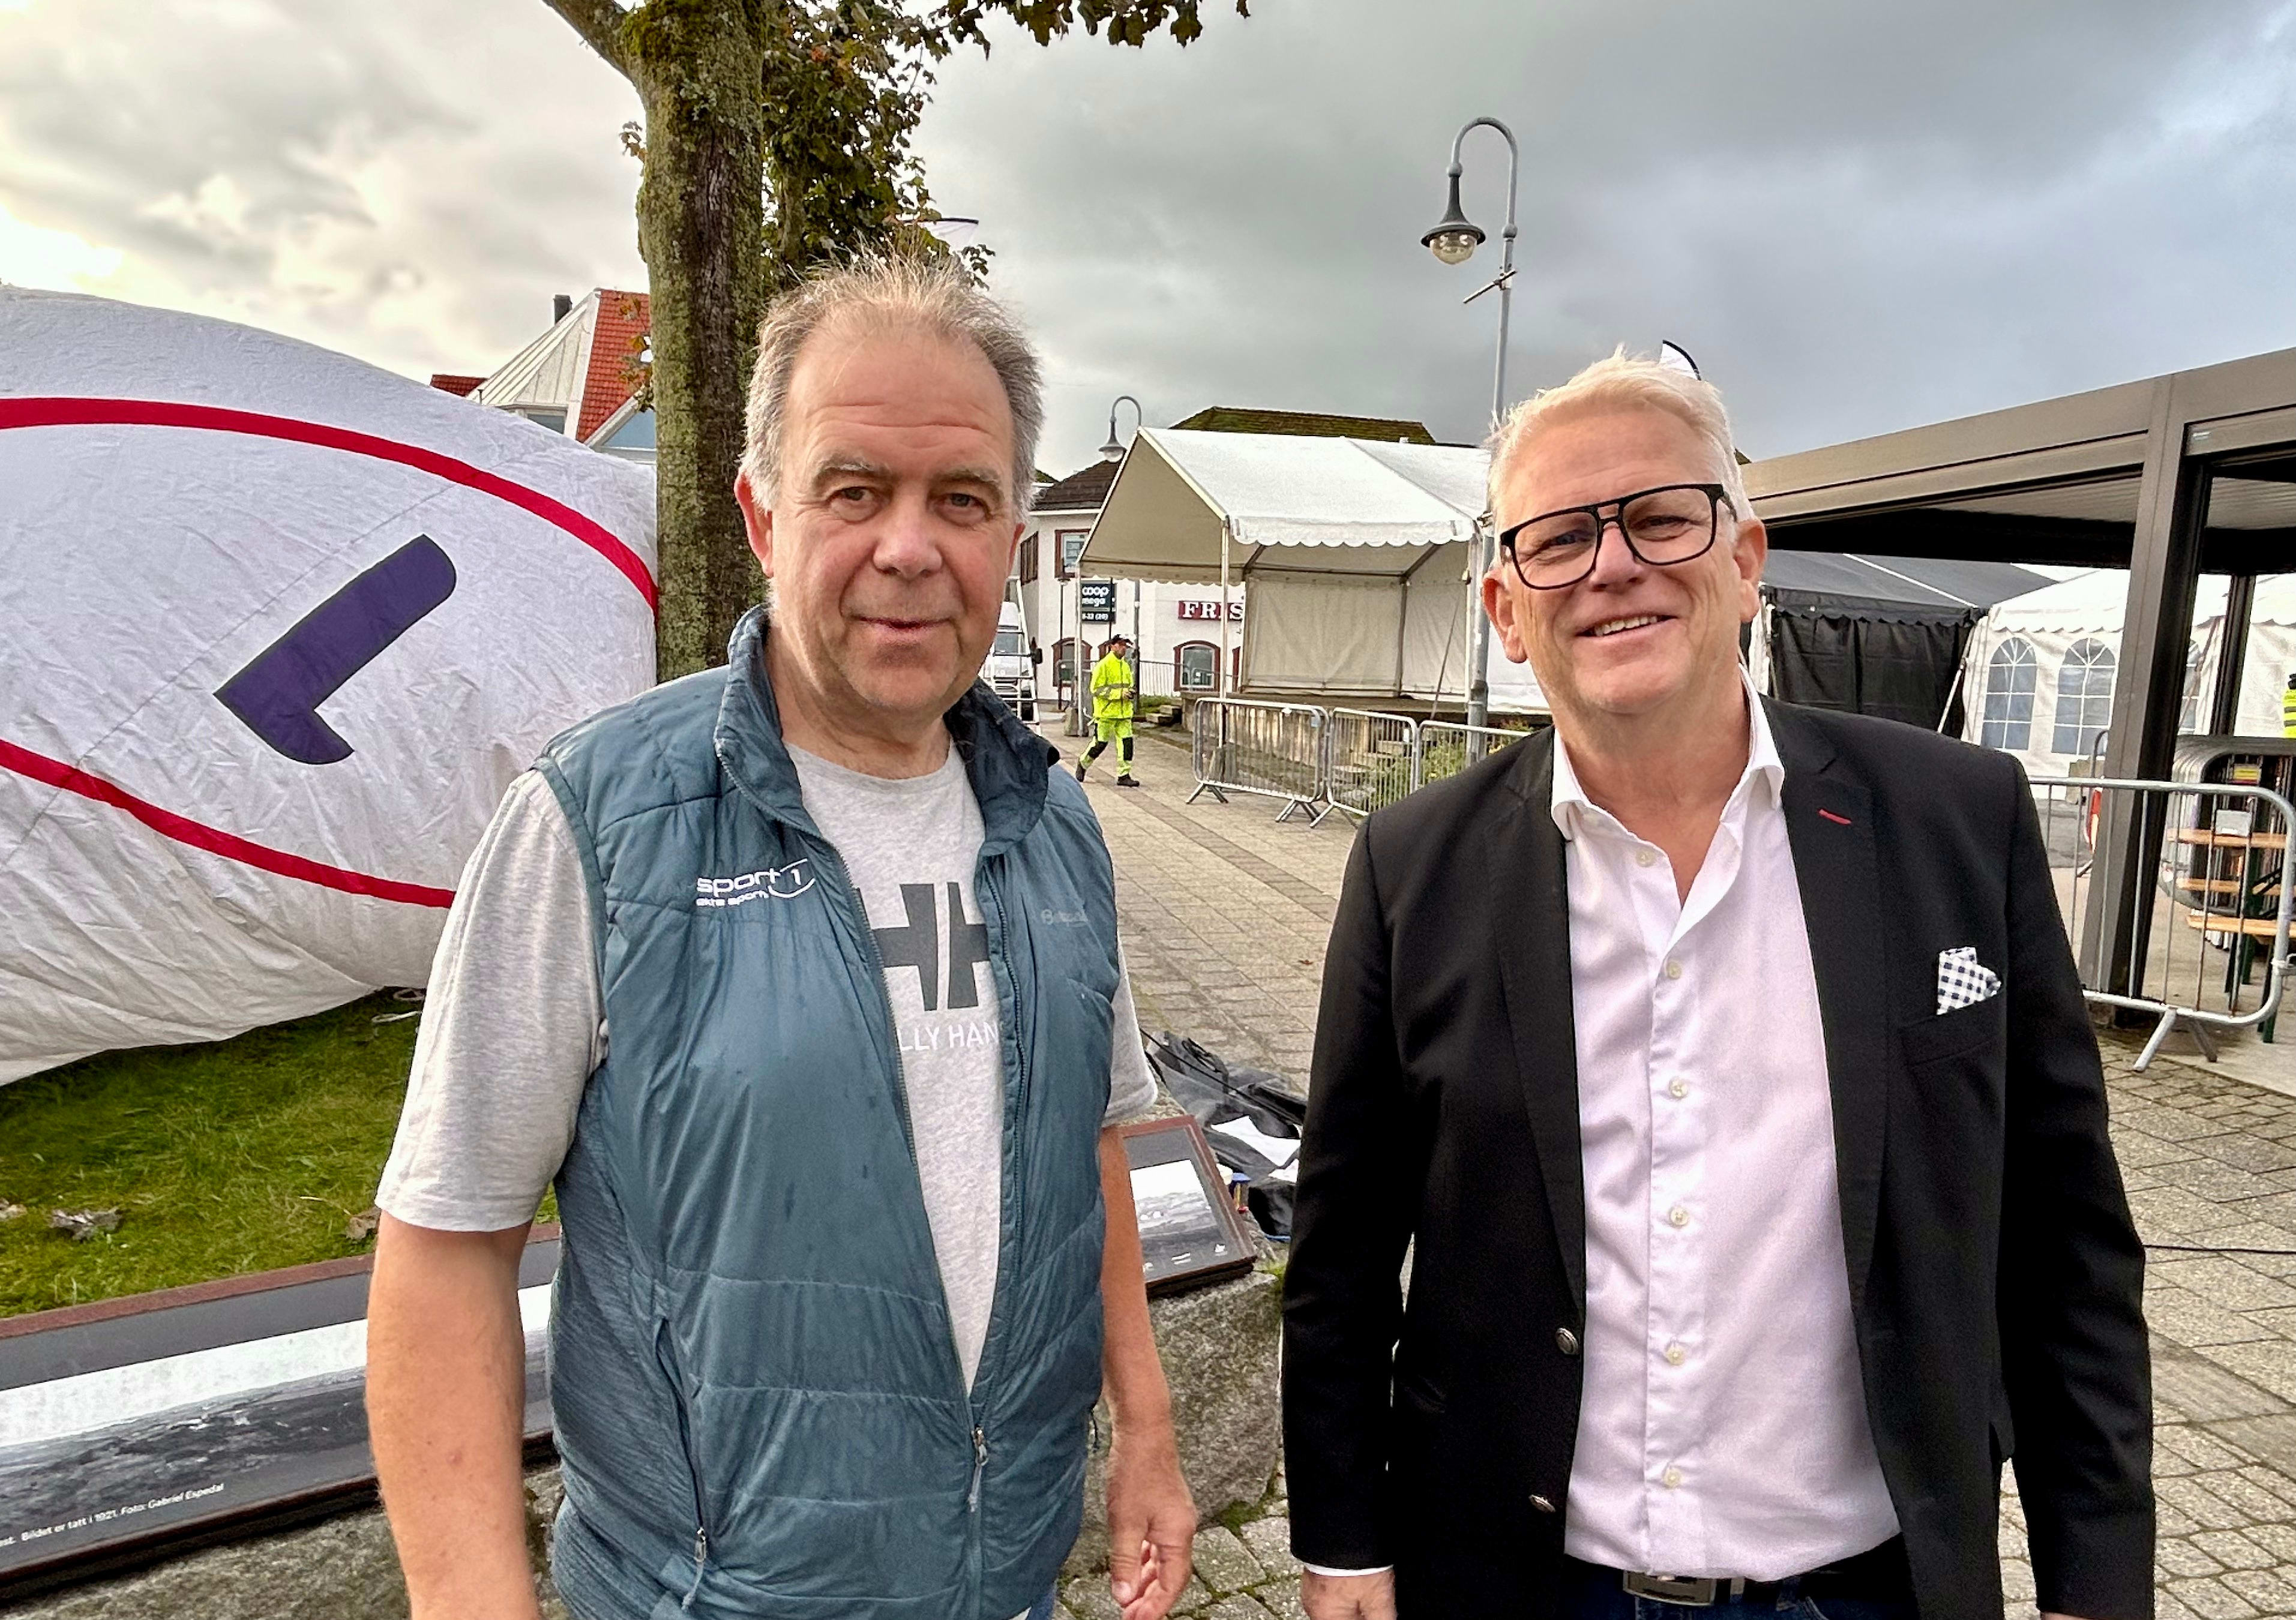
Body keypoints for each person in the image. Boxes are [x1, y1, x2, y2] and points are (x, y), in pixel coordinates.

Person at [367, 256, 1195, 1620]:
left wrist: (1148, 1432)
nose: (909, 548)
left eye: (961, 498)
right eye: (853, 489)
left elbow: (1086, 1145)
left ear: (1009, 534)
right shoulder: (597, 825)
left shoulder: (1056, 826)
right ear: (762, 514)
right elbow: (448, 1241)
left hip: (1006, 1586)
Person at [1281, 353, 2151, 1620]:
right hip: (1520, 1583)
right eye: (1558, 538)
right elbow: (1345, 1249)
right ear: (1506, 612)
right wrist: (1344, 1540)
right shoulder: (1413, 867)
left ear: (1745, 561)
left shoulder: (1957, 823)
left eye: (1659, 516)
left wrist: (2095, 1578)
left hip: (1863, 1592)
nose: (1612, 565)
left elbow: (2064, 1240)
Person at [1078, 633, 1140, 787]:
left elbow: (1128, 686)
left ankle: (1124, 775)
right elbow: (1096, 689)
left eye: (1125, 645)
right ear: (1112, 647)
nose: (1124, 648)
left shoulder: (1125, 666)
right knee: (1100, 744)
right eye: (1121, 645)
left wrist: (1130, 692)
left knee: (1127, 744)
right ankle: (1083, 763)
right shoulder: (1103, 665)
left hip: (1124, 713)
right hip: (1105, 713)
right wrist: (1119, 694)